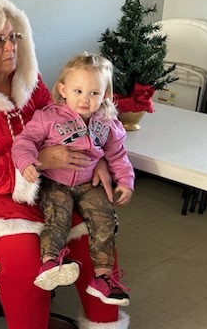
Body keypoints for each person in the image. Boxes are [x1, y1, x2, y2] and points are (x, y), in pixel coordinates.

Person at [0, 0, 130, 329]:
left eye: (14, 37)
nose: (10, 46)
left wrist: (97, 160)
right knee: (28, 258)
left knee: (94, 232)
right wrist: (40, 161)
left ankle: (105, 324)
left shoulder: (31, 83)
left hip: (47, 184)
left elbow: (70, 126)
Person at [11, 53, 133, 307]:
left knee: (105, 220)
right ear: (63, 90)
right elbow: (24, 142)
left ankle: (102, 278)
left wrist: (125, 181)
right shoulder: (49, 117)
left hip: (90, 184)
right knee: (58, 215)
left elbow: (118, 154)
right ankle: (50, 262)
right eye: (78, 91)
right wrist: (27, 163)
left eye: (93, 93)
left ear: (106, 96)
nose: (85, 100)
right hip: (56, 182)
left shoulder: (108, 122)